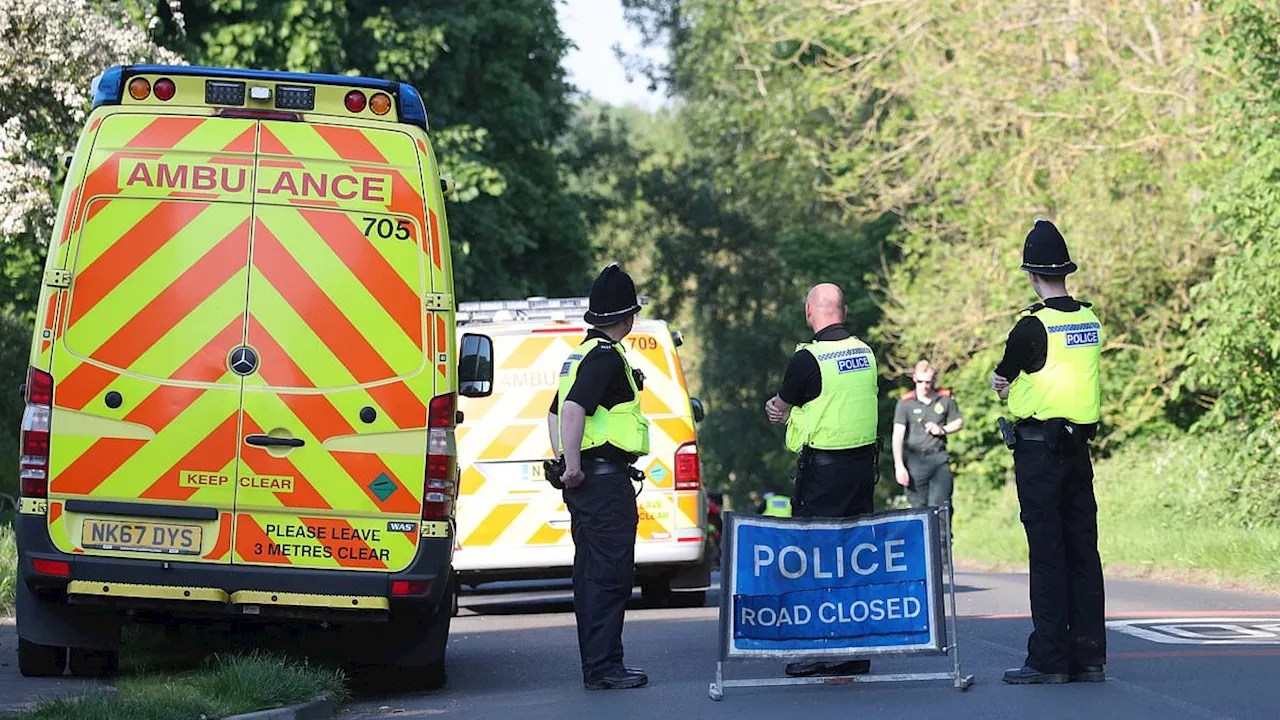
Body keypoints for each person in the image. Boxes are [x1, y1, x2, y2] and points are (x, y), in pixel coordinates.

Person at [990, 220, 1106, 685]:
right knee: (1083, 551)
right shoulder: (1089, 320)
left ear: (1032, 274)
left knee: (1048, 554)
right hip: (1080, 451)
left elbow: (1005, 377)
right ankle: (1090, 657)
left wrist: (1003, 387)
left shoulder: (1031, 327)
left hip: (1039, 452)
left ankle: (1049, 660)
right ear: (1065, 271)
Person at [764, 282, 880, 678]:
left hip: (823, 473)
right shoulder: (865, 353)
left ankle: (820, 648)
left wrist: (777, 411)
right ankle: (855, 651)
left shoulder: (808, 360)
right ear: (843, 312)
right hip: (863, 471)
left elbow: (782, 406)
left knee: (817, 560)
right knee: (856, 559)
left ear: (810, 311)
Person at [547, 263, 651, 691]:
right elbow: (571, 410)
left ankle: (599, 664)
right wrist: (571, 465)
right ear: (627, 319)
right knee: (609, 576)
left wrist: (567, 462)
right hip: (603, 483)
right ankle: (605, 667)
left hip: (590, 483)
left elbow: (553, 413)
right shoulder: (606, 358)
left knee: (592, 575)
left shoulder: (582, 355)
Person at [892, 361, 963, 516]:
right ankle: (922, 540)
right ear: (914, 378)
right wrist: (899, 465)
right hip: (916, 462)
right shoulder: (905, 403)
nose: (924, 386)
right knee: (918, 509)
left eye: (928, 382)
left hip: (939, 459)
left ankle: (943, 540)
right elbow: (898, 435)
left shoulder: (944, 399)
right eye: (921, 381)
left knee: (942, 508)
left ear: (934, 380)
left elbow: (959, 422)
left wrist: (942, 430)